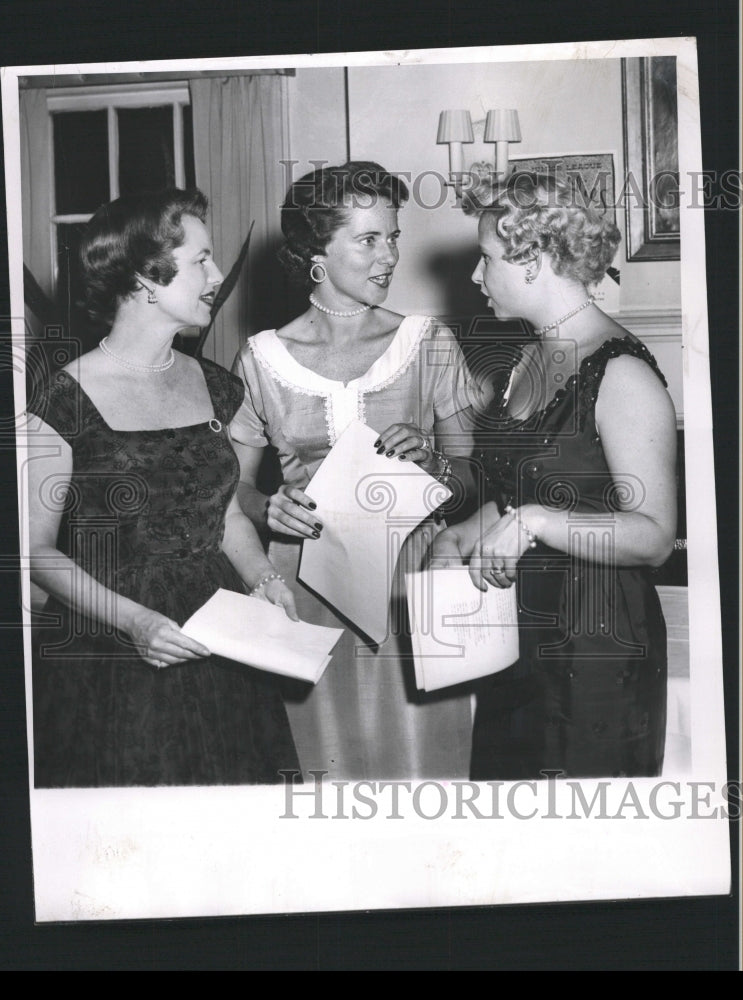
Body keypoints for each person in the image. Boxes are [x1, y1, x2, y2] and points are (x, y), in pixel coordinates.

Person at [26, 188, 300, 787]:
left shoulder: (218, 387)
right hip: (113, 644)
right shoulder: (59, 401)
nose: (218, 274)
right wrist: (136, 622)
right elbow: (35, 551)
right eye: (201, 259)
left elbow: (225, 514)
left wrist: (263, 578)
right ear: (146, 278)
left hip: (221, 635)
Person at [230, 161, 485, 780]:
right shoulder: (262, 357)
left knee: (423, 774)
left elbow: (475, 482)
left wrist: (436, 468)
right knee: (323, 773)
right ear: (316, 250)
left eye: (393, 236)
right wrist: (267, 506)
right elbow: (231, 489)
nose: (390, 256)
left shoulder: (428, 342)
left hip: (410, 582)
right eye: (368, 239)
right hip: (302, 586)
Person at [431, 171, 677, 780]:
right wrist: (459, 535)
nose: (475, 277)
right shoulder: (525, 359)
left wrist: (536, 522)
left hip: (596, 650)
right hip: (518, 640)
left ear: (533, 258)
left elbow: (653, 537)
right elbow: (527, 492)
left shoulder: (622, 374)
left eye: (486, 259)